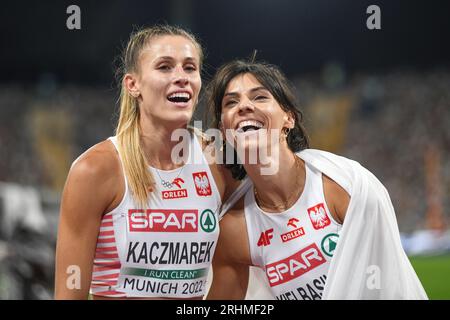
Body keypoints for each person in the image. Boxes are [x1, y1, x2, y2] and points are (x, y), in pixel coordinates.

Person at [206, 59, 428, 300]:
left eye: (259, 97)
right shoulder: (234, 229)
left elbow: (393, 286)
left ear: (288, 118)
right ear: (224, 131)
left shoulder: (343, 187)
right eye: (231, 102)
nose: (244, 106)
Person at [54, 25, 237, 299]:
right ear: (133, 84)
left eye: (190, 68)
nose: (181, 77)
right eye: (164, 67)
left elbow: (237, 266)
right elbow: (69, 294)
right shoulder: (95, 170)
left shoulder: (219, 161)